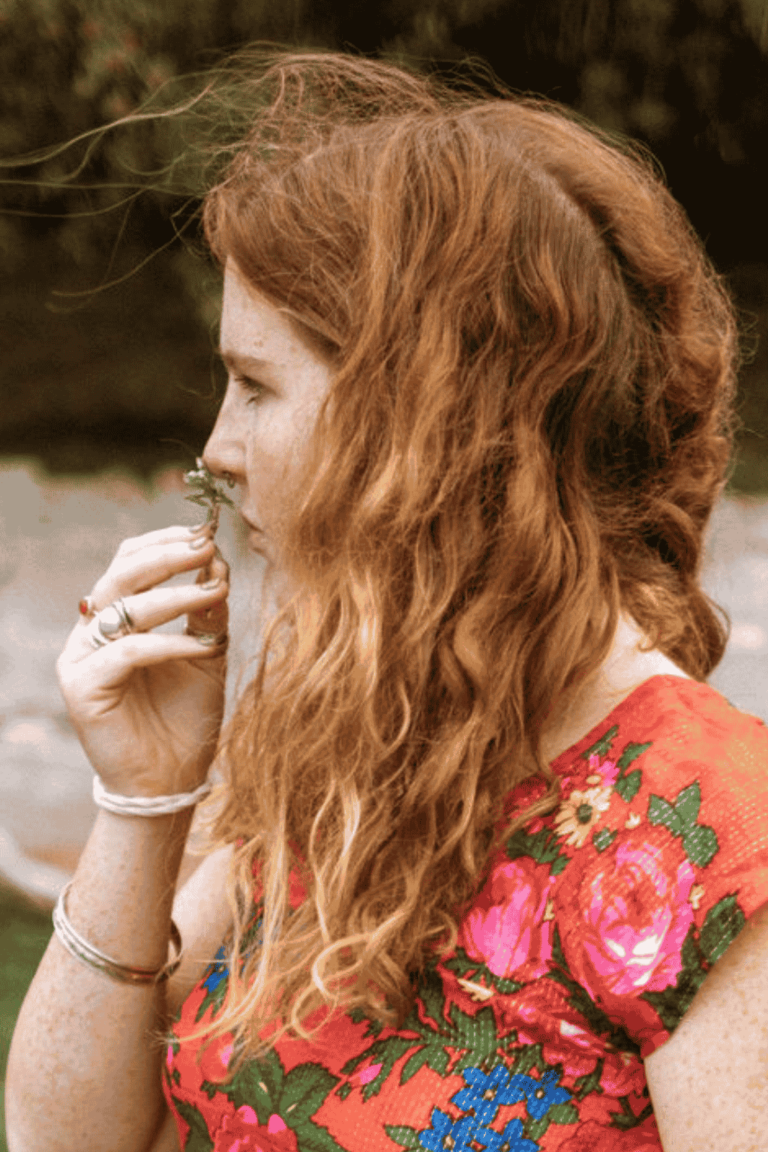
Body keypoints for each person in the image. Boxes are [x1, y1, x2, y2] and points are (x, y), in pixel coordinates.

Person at [6, 48, 768, 1152]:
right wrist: (144, 801)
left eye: (258, 385)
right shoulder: (353, 743)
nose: (217, 447)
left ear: (429, 429)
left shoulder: (709, 841)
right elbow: (65, 1140)